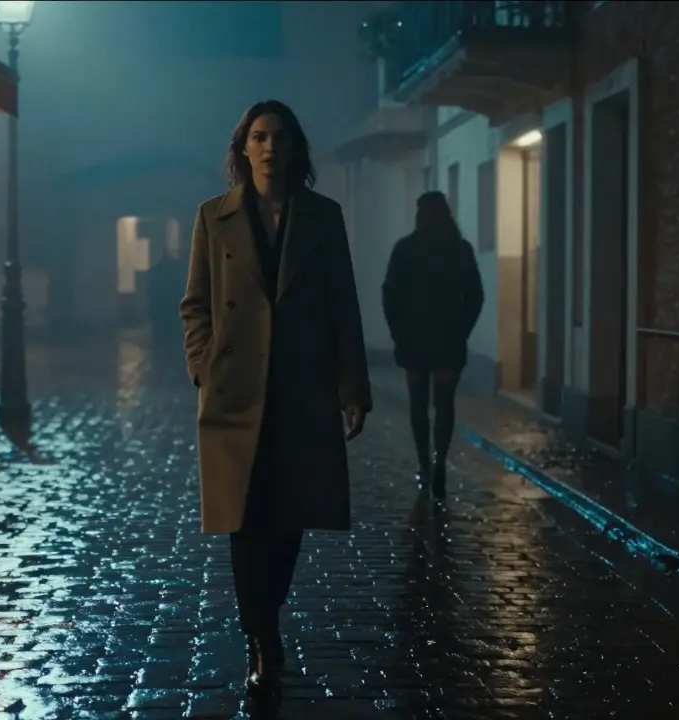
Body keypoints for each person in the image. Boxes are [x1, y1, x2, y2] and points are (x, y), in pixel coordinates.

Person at [179, 99, 371, 695]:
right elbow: (196, 303)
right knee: (246, 516)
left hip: (303, 387)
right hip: (236, 390)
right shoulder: (214, 218)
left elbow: (344, 306)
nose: (269, 147)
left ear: (294, 149)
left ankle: (268, 620)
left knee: (290, 517)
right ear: (243, 149)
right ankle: (260, 634)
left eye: (280, 137)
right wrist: (204, 367)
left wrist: (351, 386)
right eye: (258, 137)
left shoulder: (323, 217)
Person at [381, 191, 483, 498]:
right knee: (444, 404)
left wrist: (397, 331)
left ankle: (425, 464)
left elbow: (390, 295)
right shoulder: (460, 249)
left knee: (418, 406)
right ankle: (439, 463)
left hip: (414, 337)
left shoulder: (405, 248)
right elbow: (475, 295)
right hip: (448, 338)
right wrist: (462, 329)